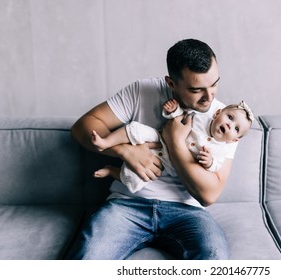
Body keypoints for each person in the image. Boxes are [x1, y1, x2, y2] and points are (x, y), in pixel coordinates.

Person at [68, 38, 250, 260]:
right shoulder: (141, 91)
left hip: (188, 212)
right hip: (128, 204)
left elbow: (209, 194)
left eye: (214, 84)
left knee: (215, 257)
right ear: (171, 83)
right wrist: (125, 151)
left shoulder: (226, 122)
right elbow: (82, 128)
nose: (210, 98)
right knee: (87, 258)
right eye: (197, 89)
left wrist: (174, 143)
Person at [92, 98, 253, 193]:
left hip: (169, 163)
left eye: (236, 129)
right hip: (160, 138)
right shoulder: (201, 116)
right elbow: (181, 118)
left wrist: (209, 162)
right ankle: (106, 141)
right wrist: (173, 111)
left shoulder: (221, 149)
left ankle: (114, 172)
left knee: (138, 179)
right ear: (218, 113)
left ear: (234, 140)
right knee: (136, 129)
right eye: (230, 117)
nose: (230, 125)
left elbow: (216, 166)